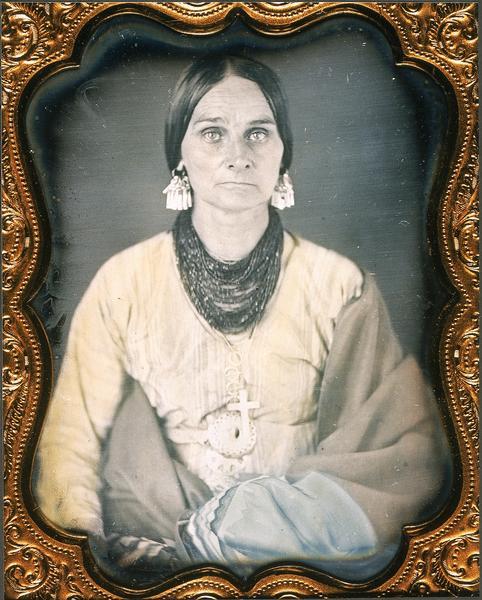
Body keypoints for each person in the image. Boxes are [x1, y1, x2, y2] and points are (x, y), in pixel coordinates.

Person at [34, 55, 451, 586]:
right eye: (212, 134)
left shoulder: (336, 284)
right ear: (178, 156)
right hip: (155, 552)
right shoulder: (123, 285)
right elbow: (71, 446)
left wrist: (255, 520)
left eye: (259, 133)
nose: (238, 157)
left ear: (283, 155)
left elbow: (398, 456)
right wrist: (97, 566)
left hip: (302, 559)